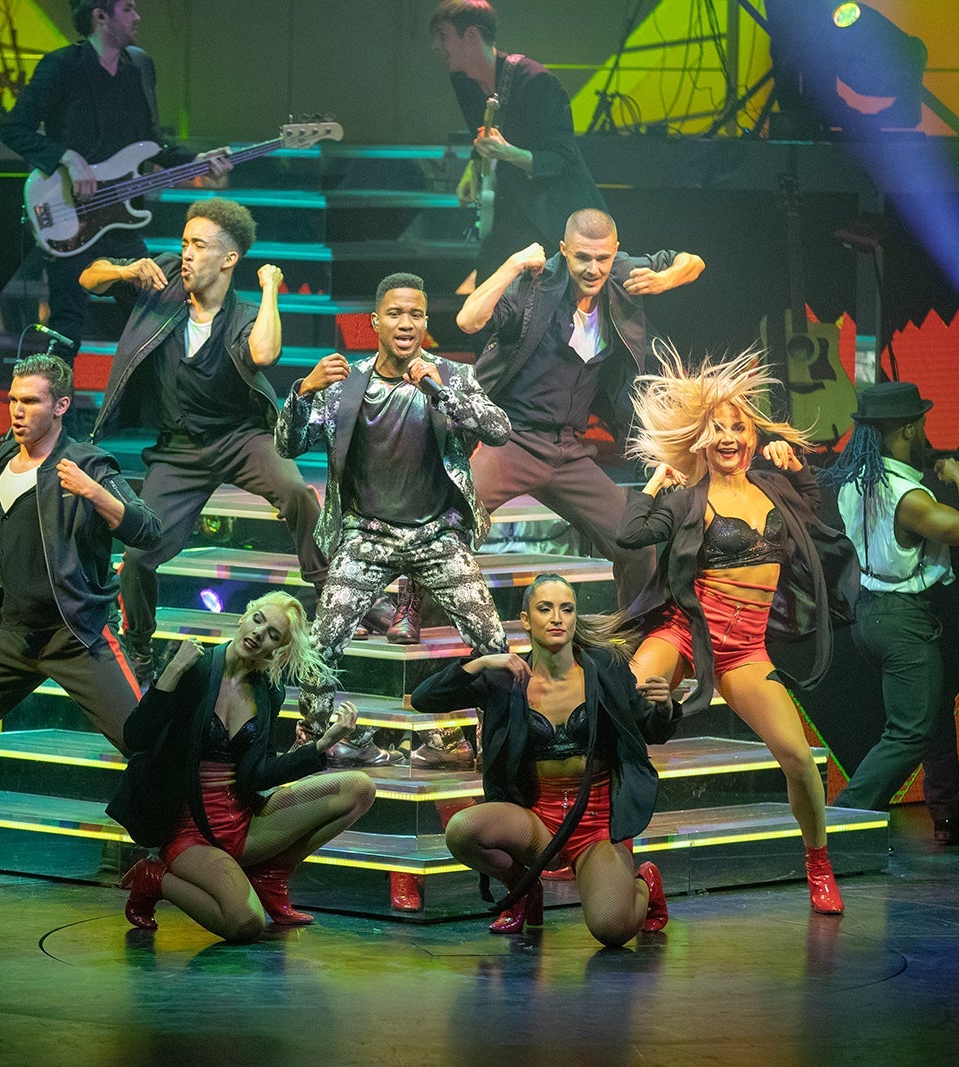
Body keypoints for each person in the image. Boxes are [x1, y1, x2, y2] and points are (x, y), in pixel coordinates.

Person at [277, 271, 510, 908]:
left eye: (416, 313)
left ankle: (495, 741)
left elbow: (499, 429)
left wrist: (444, 391)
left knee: (492, 641)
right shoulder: (347, 383)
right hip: (368, 532)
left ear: (423, 321)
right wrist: (300, 392)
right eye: (394, 314)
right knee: (319, 643)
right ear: (374, 323)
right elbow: (287, 443)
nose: (406, 324)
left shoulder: (449, 378)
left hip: (437, 533)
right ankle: (322, 739)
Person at [0, 353, 160, 892]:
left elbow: (148, 530)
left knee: (147, 744)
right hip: (17, 631)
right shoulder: (3, 459)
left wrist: (95, 494)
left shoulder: (90, 464)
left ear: (61, 405)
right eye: (13, 400)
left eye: (31, 401)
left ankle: (172, 855)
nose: (17, 411)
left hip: (76, 632)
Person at [616, 350, 856, 914]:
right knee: (622, 709)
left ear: (752, 436)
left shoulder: (776, 489)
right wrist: (655, 481)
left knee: (798, 756)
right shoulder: (685, 501)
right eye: (717, 429)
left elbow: (820, 518)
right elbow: (630, 534)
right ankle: (618, 858)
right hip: (684, 635)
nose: (728, 437)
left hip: (744, 651)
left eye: (738, 427)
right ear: (701, 441)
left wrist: (797, 467)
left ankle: (818, 863)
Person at [79, 198, 327, 685]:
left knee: (298, 492)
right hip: (179, 450)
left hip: (241, 438)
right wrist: (125, 271)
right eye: (185, 242)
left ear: (228, 259)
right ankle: (139, 645)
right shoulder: (162, 283)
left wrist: (272, 287)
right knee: (137, 556)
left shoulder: (243, 314)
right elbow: (89, 278)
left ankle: (329, 587)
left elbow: (266, 352)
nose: (186, 253)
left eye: (199, 245)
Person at [454, 207, 705, 610]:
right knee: (452, 527)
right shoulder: (536, 285)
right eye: (582, 257)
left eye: (602, 258)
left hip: (569, 450)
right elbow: (468, 320)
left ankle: (634, 642)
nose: (593, 268)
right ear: (563, 251)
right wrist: (514, 262)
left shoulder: (622, 275)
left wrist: (665, 279)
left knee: (637, 542)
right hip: (512, 439)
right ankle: (427, 630)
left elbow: (692, 261)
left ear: (615, 252)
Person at [410, 574, 677, 944]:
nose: (557, 618)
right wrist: (481, 662)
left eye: (566, 609)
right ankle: (522, 889)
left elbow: (649, 731)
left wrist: (663, 708)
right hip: (536, 817)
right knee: (462, 830)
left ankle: (644, 882)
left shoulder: (604, 668)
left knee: (611, 930)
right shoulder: (506, 678)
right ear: (525, 619)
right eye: (545, 608)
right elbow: (424, 699)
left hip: (596, 821)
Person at [108, 592, 376, 942]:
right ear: (243, 617)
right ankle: (155, 878)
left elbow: (260, 772)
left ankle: (271, 874)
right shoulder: (195, 668)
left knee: (358, 789)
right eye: (258, 619)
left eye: (273, 635)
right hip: (189, 833)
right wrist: (172, 670)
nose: (259, 633)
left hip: (245, 823)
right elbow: (135, 737)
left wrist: (322, 745)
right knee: (246, 923)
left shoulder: (267, 692)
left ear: (276, 651)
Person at [0, 0, 229, 354]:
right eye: (128, 9)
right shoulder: (61, 67)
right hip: (68, 216)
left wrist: (196, 160)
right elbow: (13, 128)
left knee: (151, 326)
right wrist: (66, 158)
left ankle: (146, 408)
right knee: (65, 332)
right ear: (100, 16)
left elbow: (151, 143)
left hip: (121, 221)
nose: (138, 17)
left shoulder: (136, 69)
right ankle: (62, 409)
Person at [820, 381, 959, 845]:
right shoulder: (907, 496)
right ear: (910, 428)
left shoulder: (858, 482)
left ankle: (951, 816)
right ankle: (841, 819)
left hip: (871, 614)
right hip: (901, 619)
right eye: (923, 422)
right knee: (910, 731)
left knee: (934, 713)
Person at [429, 0, 606, 286]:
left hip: (554, 218)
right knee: (490, 301)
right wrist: (473, 169)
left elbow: (562, 160)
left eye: (443, 36)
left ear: (471, 36)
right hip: (510, 210)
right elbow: (485, 132)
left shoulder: (537, 82)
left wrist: (508, 153)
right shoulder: (462, 80)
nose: (436, 46)